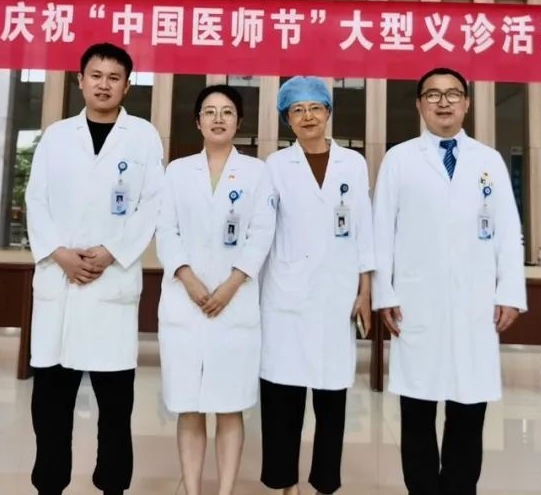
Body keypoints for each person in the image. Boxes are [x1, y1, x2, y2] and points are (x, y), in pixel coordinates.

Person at [372, 67, 526, 495]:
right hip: (416, 303)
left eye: (453, 94)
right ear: (420, 104)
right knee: (417, 412)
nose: (443, 102)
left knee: (468, 412)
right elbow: (381, 231)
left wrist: (510, 292)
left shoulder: (488, 160)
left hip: (475, 305)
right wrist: (384, 292)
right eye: (433, 95)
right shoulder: (400, 159)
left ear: (467, 103)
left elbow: (508, 232)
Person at [25, 42, 164, 495]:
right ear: (80, 80)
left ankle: (113, 486)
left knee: (115, 403)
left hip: (111, 282)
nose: (104, 85)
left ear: (127, 86)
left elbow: (152, 204)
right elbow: (36, 200)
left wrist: (113, 251)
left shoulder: (142, 136)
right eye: (96, 76)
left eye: (114, 78)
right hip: (60, 280)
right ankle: (50, 484)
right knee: (51, 401)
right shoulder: (56, 136)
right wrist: (59, 253)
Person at [156, 85, 277, 495]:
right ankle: (193, 490)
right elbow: (166, 230)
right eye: (209, 111)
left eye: (227, 112)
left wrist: (231, 284)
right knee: (188, 405)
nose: (218, 118)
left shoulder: (258, 172)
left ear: (239, 122)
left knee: (230, 405)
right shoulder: (177, 171)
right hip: (184, 301)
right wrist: (188, 278)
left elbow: (262, 233)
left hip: (235, 301)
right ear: (198, 122)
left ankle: (225, 491)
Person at [259, 76, 374, 495]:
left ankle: (325, 483)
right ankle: (284, 483)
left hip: (336, 294)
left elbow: (364, 229)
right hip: (285, 293)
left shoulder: (353, 164)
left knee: (331, 399)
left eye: (315, 108)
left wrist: (365, 290)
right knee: (282, 397)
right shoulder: (275, 166)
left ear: (328, 112)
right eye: (297, 110)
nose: (308, 116)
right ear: (287, 119)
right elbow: (262, 231)